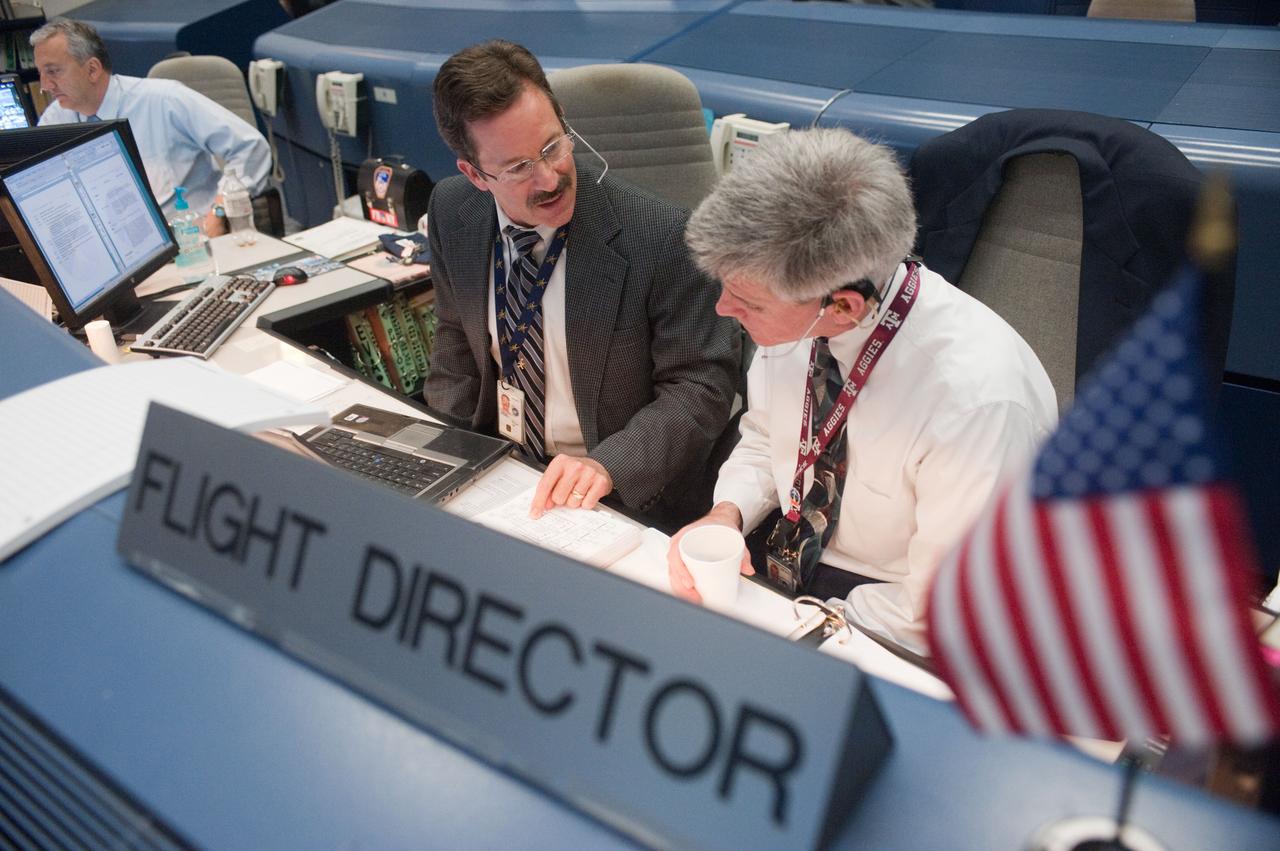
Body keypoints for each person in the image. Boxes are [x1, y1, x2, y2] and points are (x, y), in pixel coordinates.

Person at [668, 128, 1058, 657]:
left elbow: (939, 613)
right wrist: (728, 513)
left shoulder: (977, 402)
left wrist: (790, 623)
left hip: (895, 609)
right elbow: (767, 435)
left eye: (749, 303)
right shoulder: (802, 314)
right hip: (789, 551)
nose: (722, 310)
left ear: (845, 306)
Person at [425, 40, 739, 526]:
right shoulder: (452, 210)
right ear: (475, 174)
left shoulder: (662, 235)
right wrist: (452, 454)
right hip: (504, 474)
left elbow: (701, 388)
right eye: (518, 168)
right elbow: (454, 347)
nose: (549, 178)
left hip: (617, 492)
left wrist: (607, 466)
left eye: (553, 146)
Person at [30, 18, 270, 228]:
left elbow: (250, 148)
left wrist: (218, 214)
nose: (44, 85)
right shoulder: (56, 120)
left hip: (193, 240)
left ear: (92, 69)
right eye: (41, 73)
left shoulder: (164, 99)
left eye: (53, 72)